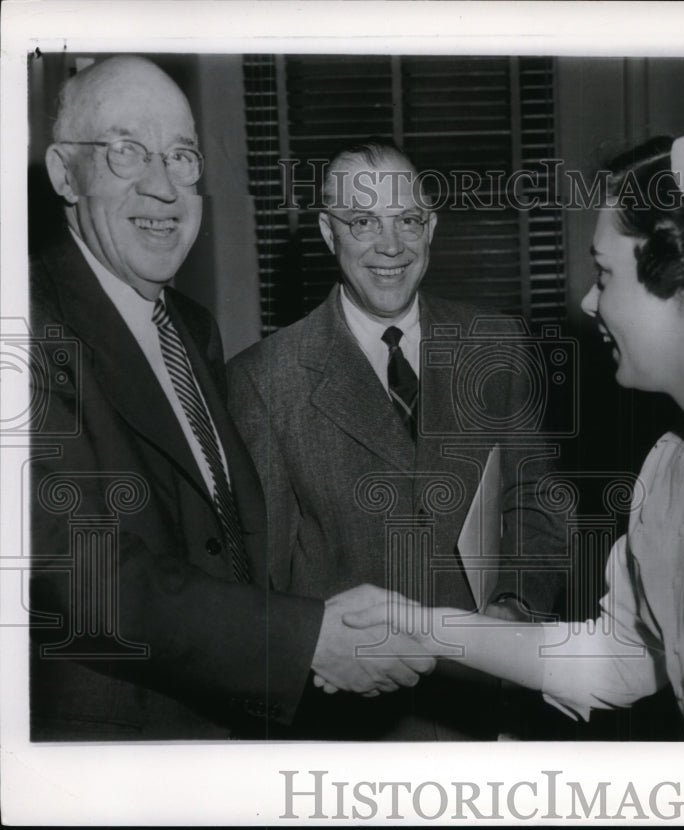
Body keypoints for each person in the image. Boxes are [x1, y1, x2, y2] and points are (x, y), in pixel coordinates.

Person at [341, 117, 684, 741]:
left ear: (683, 282)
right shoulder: (671, 468)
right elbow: (616, 657)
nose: (589, 303)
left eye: (605, 275)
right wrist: (420, 624)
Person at [28, 56, 433, 741]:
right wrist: (306, 642)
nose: (163, 187)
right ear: (66, 172)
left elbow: (221, 547)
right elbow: (76, 570)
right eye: (127, 151)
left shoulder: (190, 327)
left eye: (182, 156)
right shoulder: (26, 322)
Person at [227, 138, 567, 740]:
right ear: (329, 234)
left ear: (430, 227)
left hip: (486, 714)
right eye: (363, 222)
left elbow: (537, 503)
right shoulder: (263, 381)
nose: (391, 246)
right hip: (350, 730)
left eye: (407, 220)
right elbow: (263, 582)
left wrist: (514, 611)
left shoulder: (495, 344)